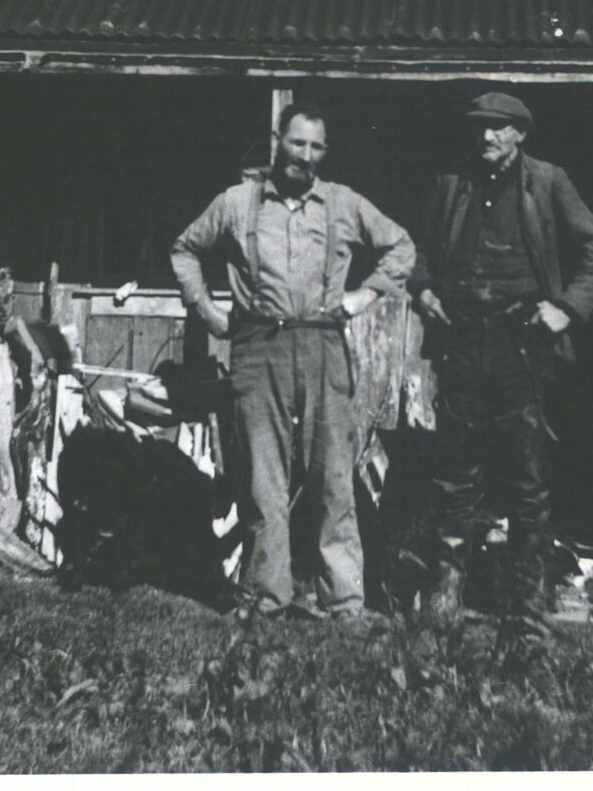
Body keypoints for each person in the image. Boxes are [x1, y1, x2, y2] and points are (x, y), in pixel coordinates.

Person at [171, 102, 415, 620]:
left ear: (324, 153)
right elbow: (185, 249)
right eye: (296, 143)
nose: (304, 156)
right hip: (258, 347)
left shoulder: (344, 204)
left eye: (316, 147)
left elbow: (401, 247)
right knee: (263, 477)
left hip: (324, 346)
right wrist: (207, 310)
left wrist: (363, 297)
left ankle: (346, 602)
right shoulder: (237, 203)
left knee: (332, 477)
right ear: (278, 139)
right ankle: (265, 598)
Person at [410, 91, 593, 650]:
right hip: (461, 342)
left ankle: (527, 607)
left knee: (528, 481)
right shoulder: (451, 185)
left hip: (521, 347)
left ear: (520, 134)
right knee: (455, 475)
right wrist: (423, 289)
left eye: (499, 128)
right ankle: (446, 596)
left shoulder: (548, 182)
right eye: (479, 128)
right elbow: (418, 254)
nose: (487, 138)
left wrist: (566, 308)